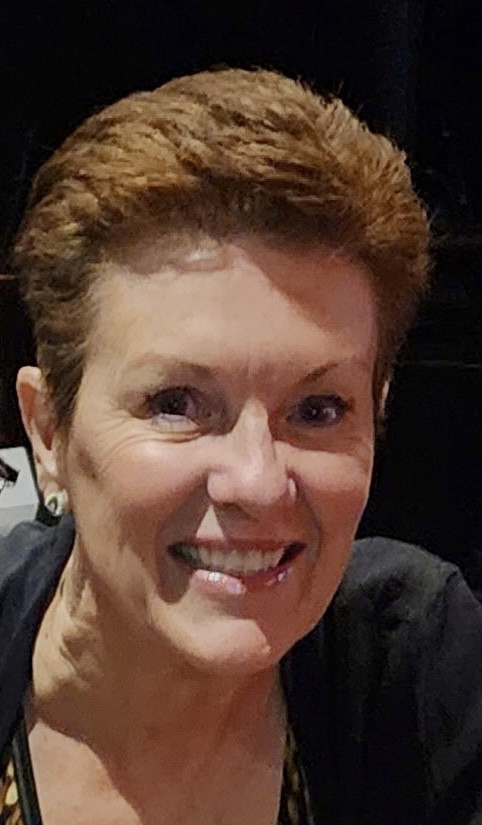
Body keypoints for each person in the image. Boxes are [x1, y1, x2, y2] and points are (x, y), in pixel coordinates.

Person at [1, 67, 481, 825]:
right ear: (48, 431)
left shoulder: (417, 664)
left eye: (318, 409)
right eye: (175, 404)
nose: (258, 482)